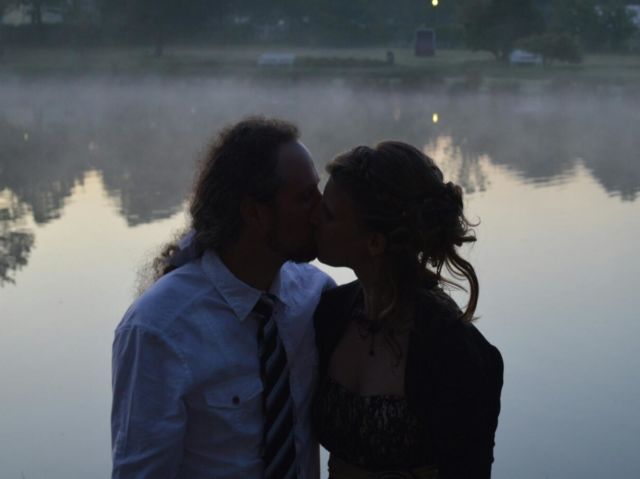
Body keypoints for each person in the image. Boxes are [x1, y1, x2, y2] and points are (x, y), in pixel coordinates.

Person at [111, 117, 335, 479]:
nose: (322, 212)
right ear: (255, 213)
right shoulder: (157, 328)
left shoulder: (317, 295)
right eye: (305, 198)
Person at [312, 141, 503, 479]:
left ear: (374, 242)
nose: (314, 220)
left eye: (328, 215)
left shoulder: (456, 351)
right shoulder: (329, 312)